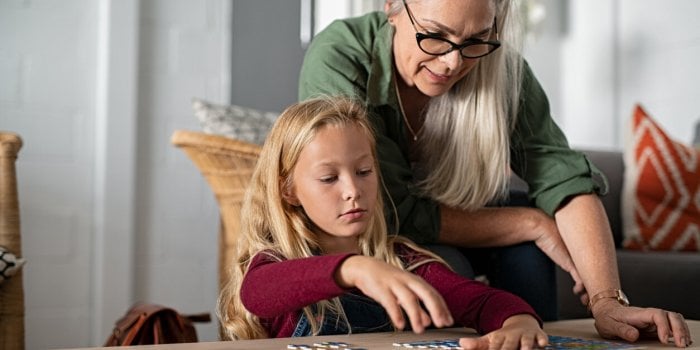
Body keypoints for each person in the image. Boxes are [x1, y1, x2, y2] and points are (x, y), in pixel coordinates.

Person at [298, 0, 693, 347]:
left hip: (457, 211)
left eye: (476, 41)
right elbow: (385, 209)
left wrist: (607, 301)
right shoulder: (340, 54)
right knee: (452, 265)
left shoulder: (504, 70)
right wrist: (531, 223)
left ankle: (540, 341)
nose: (453, 62)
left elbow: (565, 180)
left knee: (525, 256)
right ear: (393, 8)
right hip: (377, 234)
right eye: (435, 36)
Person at [217, 97, 549, 350]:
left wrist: (518, 322)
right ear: (288, 190)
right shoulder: (275, 263)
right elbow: (256, 292)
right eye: (329, 178)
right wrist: (353, 269)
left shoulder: (404, 262)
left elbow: (484, 302)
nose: (352, 191)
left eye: (364, 172)